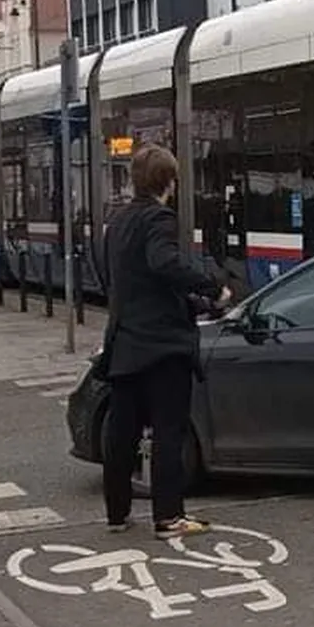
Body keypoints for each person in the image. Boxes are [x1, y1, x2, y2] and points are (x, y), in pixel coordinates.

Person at [98, 145, 228, 540]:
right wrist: (212, 287)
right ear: (168, 182)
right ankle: (169, 517)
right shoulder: (160, 218)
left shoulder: (117, 222)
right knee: (169, 431)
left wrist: (191, 301)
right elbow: (163, 263)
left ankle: (117, 514)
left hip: (125, 342)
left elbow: (133, 281)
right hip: (161, 348)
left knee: (123, 435)